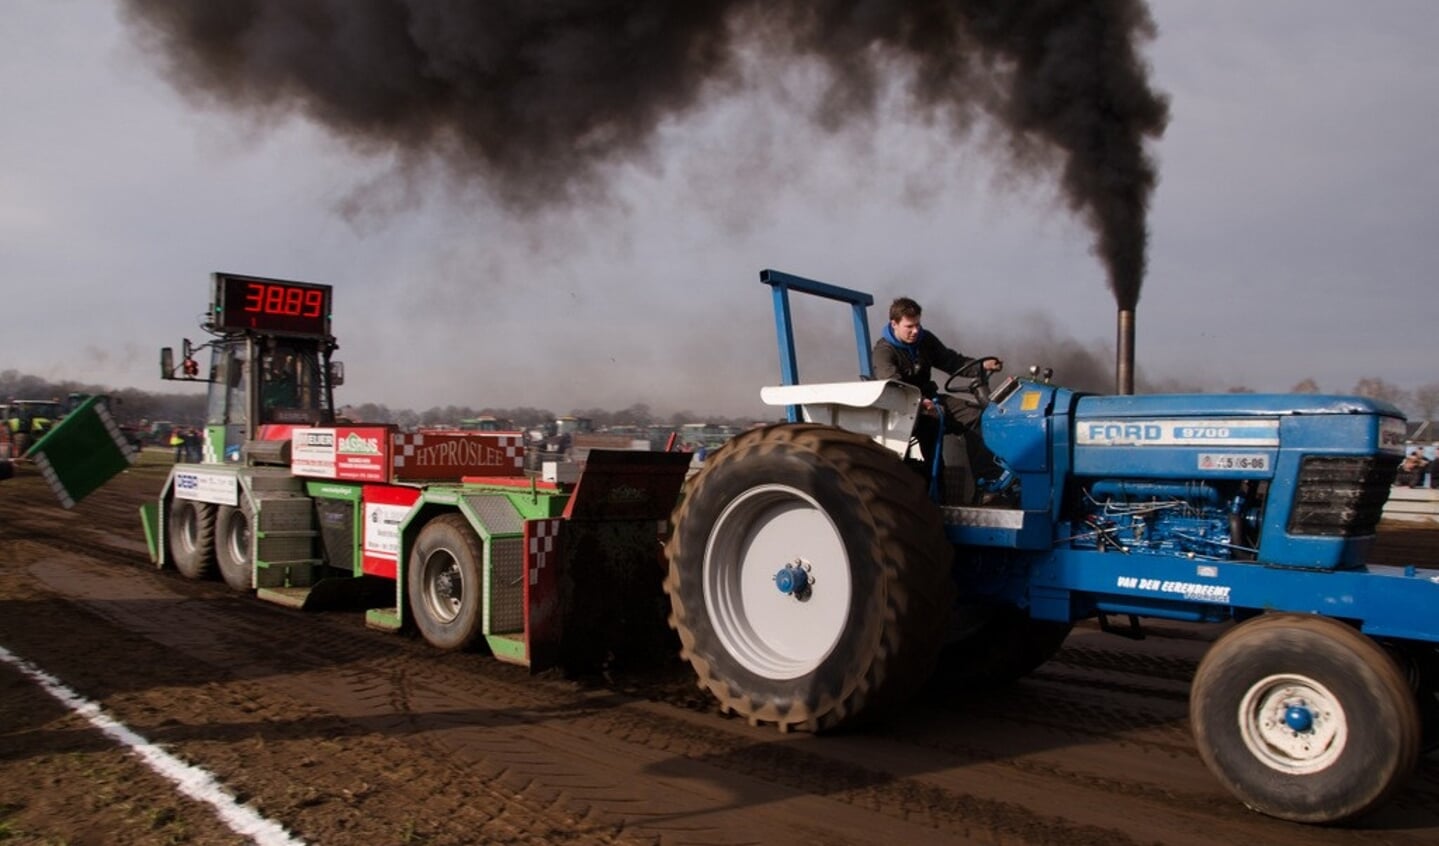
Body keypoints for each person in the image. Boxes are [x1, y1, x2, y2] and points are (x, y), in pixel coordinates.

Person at [872, 296, 1003, 487]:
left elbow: (951, 361)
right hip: (905, 410)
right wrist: (922, 405)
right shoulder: (884, 351)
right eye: (909, 326)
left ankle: (988, 484)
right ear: (894, 324)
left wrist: (981, 366)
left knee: (980, 417)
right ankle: (935, 497)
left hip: (933, 401)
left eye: (917, 324)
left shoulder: (925, 340)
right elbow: (893, 385)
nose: (915, 331)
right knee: (932, 459)